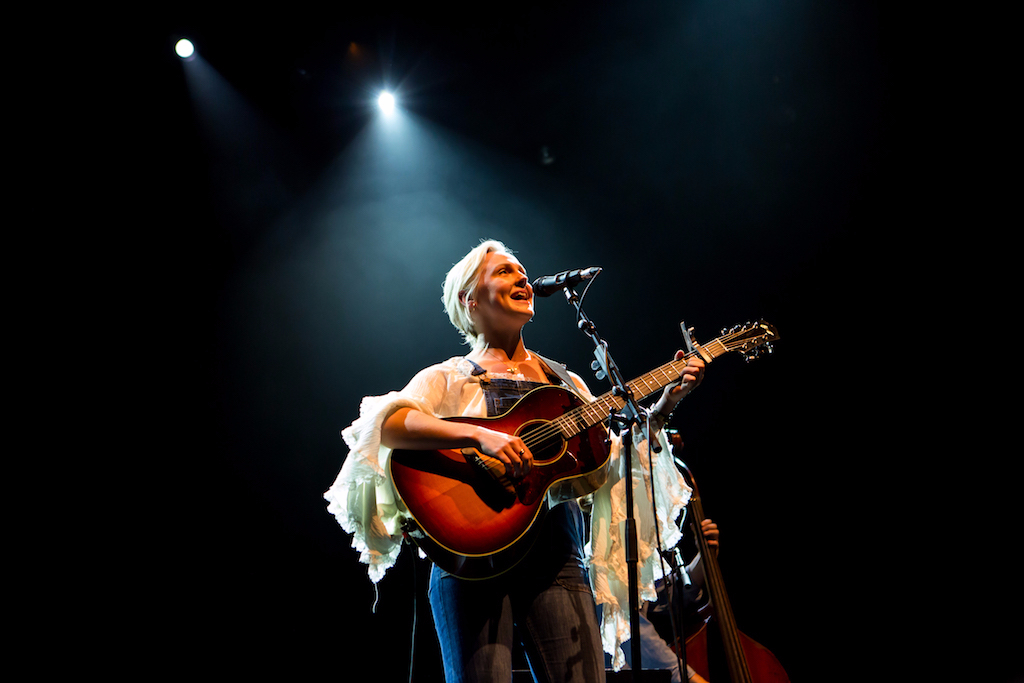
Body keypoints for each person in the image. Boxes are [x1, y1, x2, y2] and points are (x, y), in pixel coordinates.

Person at [325, 240, 706, 683]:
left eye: (523, 272)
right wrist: (479, 435)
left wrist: (664, 406)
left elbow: (608, 460)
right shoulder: (448, 377)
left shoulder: (563, 382)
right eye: (505, 271)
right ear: (470, 299)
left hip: (557, 558)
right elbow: (387, 425)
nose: (523, 278)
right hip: (469, 556)